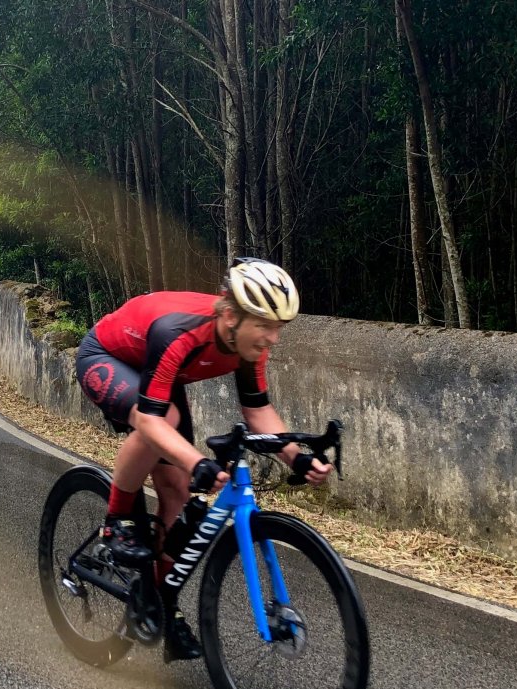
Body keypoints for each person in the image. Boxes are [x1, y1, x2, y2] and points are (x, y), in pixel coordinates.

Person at [75, 258, 332, 662]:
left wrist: (298, 460)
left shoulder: (249, 346)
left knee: (176, 492)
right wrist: (198, 462)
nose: (273, 338)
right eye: (265, 325)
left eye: (278, 328)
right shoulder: (178, 330)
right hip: (106, 356)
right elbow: (151, 420)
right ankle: (117, 522)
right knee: (167, 425)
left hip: (160, 375)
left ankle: (160, 604)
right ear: (230, 315)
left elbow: (258, 412)